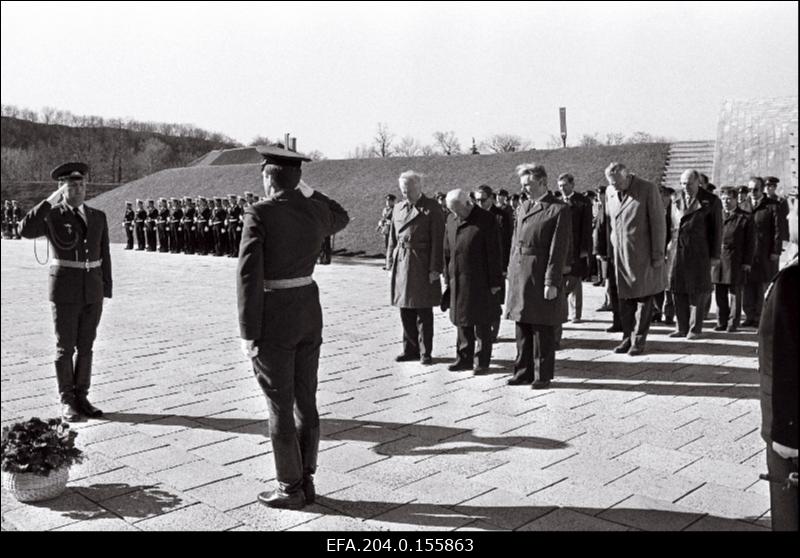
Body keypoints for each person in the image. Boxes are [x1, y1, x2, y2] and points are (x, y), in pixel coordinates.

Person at [238, 145, 349, 509]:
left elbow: (249, 275)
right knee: (306, 399)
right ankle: (308, 479)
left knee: (279, 405)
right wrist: (308, 189)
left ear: (269, 177)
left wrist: (247, 332)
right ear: (297, 178)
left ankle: (290, 487)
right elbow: (341, 215)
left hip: (274, 318)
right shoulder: (315, 210)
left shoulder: (260, 212)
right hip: (307, 310)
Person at [18, 162, 112, 421]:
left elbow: (104, 254)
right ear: (62, 188)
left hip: (92, 290)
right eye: (72, 185)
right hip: (65, 291)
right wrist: (49, 201)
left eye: (81, 184)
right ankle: (66, 400)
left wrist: (105, 288)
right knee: (65, 347)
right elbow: (25, 230)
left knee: (87, 346)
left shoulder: (98, 216)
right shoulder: (52, 215)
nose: (78, 189)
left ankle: (82, 396)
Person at [505, 163, 571, 389]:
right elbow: (515, 241)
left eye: (529, 184)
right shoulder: (523, 206)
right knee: (521, 323)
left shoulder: (558, 209)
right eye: (523, 185)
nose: (525, 189)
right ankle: (522, 371)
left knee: (542, 325)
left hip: (539, 272)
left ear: (543, 182)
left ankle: (542, 374)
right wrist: (511, 271)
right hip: (520, 272)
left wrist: (551, 281)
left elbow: (558, 249)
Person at [604, 162, 666, 356]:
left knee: (644, 297)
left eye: (617, 182)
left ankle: (638, 340)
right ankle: (627, 337)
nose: (614, 187)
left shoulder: (647, 189)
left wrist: (657, 255)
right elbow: (611, 222)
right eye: (611, 183)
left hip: (643, 255)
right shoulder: (610, 192)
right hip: (621, 256)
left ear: (627, 176)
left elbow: (658, 224)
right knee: (624, 299)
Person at [758, 252, 798, 531]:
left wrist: (787, 432)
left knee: (788, 517)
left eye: (793, 206)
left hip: (789, 426)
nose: (788, 215)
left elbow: (787, 357)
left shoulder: (793, 279)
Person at [387, 171, 445, 365]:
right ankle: (409, 348)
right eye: (403, 191)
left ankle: (425, 351)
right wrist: (389, 262)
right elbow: (392, 239)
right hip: (402, 261)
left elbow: (438, 240)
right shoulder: (397, 208)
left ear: (419, 187)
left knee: (422, 309)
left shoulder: (432, 208)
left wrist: (435, 269)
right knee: (405, 308)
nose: (406, 194)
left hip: (421, 262)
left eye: (410, 190)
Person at [667, 169, 722, 339]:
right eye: (682, 183)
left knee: (697, 291)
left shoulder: (711, 201)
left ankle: (695, 328)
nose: (685, 187)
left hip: (699, 252)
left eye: (689, 184)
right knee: (677, 289)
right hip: (677, 251)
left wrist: (714, 256)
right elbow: (669, 227)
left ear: (698, 182)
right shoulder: (675, 198)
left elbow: (716, 231)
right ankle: (681, 327)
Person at [555, 173, 592, 347]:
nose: (562, 188)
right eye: (560, 185)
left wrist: (585, 250)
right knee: (563, 280)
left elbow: (586, 227)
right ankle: (562, 312)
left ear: (572, 184)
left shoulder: (582, 201)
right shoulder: (556, 201)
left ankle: (575, 313)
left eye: (565, 185)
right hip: (562, 247)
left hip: (577, 247)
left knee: (575, 280)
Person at [711, 187, 754, 332]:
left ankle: (732, 322)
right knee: (719, 292)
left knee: (735, 293)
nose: (726, 202)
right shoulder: (717, 215)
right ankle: (721, 321)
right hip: (718, 260)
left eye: (729, 199)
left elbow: (750, 242)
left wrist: (747, 262)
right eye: (723, 199)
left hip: (735, 260)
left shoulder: (745, 218)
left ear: (736, 200)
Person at [742, 177, 782, 327]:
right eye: (750, 189)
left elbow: (778, 230)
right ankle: (749, 315)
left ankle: (761, 316)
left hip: (765, 252)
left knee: (762, 285)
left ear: (762, 189)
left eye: (755, 189)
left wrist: (775, 250)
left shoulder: (772, 206)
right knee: (747, 285)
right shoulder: (744, 205)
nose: (752, 192)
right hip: (747, 254)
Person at [474, 185, 509, 341]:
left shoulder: (501, 216)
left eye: (483, 200)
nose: (480, 203)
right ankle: (481, 330)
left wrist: (505, 266)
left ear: (491, 199)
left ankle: (493, 331)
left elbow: (508, 242)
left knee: (495, 300)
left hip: (497, 264)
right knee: (479, 299)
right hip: (479, 265)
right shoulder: (474, 216)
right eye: (477, 200)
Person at [652, 185, 676, 324]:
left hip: (670, 252)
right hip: (657, 253)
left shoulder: (674, 211)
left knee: (669, 285)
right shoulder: (653, 211)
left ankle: (669, 314)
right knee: (656, 285)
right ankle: (656, 312)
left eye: (663, 197)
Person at [765, 176, 790, 245]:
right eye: (765, 185)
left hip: (776, 237)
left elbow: (785, 222)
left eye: (770, 185)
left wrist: (784, 239)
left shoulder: (781, 202)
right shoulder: (760, 202)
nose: (767, 188)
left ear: (775, 187)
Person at [376, 194, 396, 270]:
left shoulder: (395, 209)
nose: (387, 202)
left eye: (389, 201)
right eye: (387, 200)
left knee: (392, 247)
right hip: (385, 231)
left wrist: (387, 222)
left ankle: (392, 264)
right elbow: (383, 218)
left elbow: (394, 220)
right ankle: (388, 264)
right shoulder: (385, 209)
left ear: (393, 201)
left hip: (392, 230)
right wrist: (380, 224)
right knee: (387, 247)